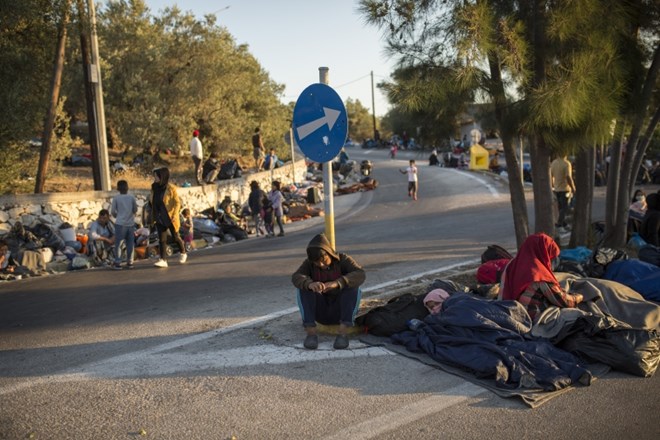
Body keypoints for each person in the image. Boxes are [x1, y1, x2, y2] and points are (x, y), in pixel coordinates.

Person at [292, 233, 366, 350]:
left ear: (329, 253)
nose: (320, 265)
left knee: (353, 287)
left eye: (323, 260)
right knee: (303, 289)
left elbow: (360, 274)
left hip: (340, 311)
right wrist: (310, 284)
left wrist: (338, 282)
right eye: (316, 263)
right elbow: (297, 276)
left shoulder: (343, 259)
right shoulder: (309, 264)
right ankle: (311, 334)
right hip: (321, 311)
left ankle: (342, 334)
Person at [500, 233, 584, 320]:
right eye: (550, 257)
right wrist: (578, 297)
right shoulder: (539, 274)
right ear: (544, 253)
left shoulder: (511, 265)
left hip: (509, 312)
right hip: (530, 318)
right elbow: (565, 302)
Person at [150, 167, 187, 267]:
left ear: (163, 177)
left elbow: (177, 202)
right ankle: (163, 260)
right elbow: (152, 201)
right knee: (162, 239)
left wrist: (175, 214)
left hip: (170, 217)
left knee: (175, 237)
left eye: (157, 176)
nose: (155, 178)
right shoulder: (154, 187)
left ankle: (183, 252)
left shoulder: (171, 189)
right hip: (159, 216)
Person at [110, 179, 137, 270]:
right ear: (127, 187)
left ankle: (118, 262)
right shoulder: (131, 197)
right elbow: (135, 209)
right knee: (130, 243)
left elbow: (113, 211)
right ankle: (130, 262)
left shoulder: (116, 198)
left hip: (120, 224)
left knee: (119, 244)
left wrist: (117, 216)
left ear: (118, 188)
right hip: (130, 224)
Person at [550, 154, 576, 232]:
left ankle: (564, 223)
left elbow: (551, 175)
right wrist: (573, 187)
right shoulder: (567, 164)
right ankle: (560, 223)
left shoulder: (554, 163)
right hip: (565, 189)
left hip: (557, 189)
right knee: (565, 207)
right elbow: (568, 177)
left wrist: (552, 185)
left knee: (560, 207)